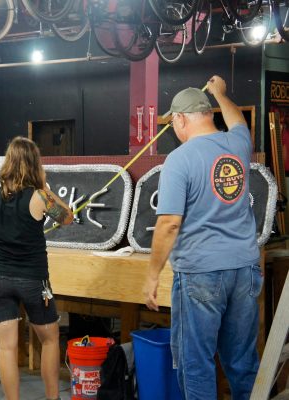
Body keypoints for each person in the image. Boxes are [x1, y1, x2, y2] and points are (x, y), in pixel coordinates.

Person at [143, 76, 262, 400]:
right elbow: (237, 119)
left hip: (200, 274)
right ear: (210, 113)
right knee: (242, 362)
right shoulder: (238, 144)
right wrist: (222, 93)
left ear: (180, 119)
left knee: (196, 365)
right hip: (244, 269)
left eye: (174, 122)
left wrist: (152, 276)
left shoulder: (179, 160)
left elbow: (168, 223)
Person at [0, 137, 74, 400]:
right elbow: (67, 218)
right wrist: (46, 186)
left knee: (7, 349)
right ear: (35, 163)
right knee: (50, 340)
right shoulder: (40, 194)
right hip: (33, 281)